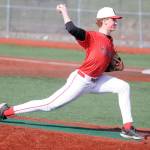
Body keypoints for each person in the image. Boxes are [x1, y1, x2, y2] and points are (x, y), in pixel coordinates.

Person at [0, 4, 143, 140]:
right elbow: (71, 28)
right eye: (113, 19)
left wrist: (108, 65)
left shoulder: (109, 41)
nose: (116, 22)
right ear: (104, 21)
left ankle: (127, 127)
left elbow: (102, 63)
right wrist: (64, 11)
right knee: (49, 105)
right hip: (81, 80)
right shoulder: (91, 36)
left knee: (124, 86)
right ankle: (5, 112)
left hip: (97, 80)